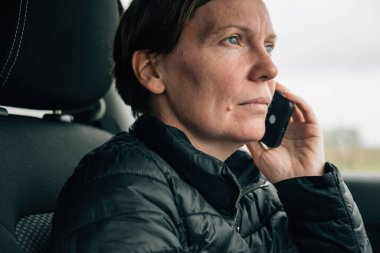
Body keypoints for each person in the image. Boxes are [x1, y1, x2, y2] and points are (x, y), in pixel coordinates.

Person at [49, 0, 372, 252]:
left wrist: (307, 185)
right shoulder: (123, 190)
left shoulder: (252, 186)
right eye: (233, 40)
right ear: (152, 71)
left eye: (269, 46)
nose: (269, 68)